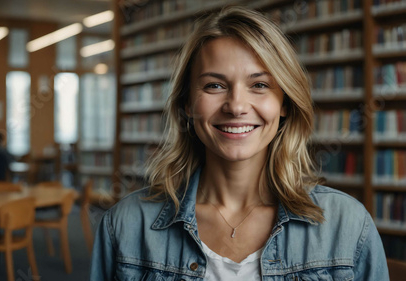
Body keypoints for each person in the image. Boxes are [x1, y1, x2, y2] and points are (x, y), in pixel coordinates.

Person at [91, 6, 388, 280]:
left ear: (284, 102)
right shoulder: (127, 225)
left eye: (259, 85)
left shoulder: (348, 226)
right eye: (214, 86)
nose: (236, 106)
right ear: (187, 104)